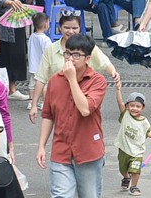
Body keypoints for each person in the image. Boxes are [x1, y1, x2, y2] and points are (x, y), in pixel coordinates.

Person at [37, 34, 108, 198]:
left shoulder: (98, 81)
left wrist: (71, 80)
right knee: (61, 195)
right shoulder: (55, 81)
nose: (70, 59)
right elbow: (48, 115)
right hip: (61, 149)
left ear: (87, 58)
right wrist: (41, 146)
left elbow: (85, 109)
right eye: (67, 53)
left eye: (76, 55)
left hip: (88, 151)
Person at [28, 10, 121, 124]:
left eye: (75, 28)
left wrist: (113, 73)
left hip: (83, 100)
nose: (71, 31)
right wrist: (33, 105)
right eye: (67, 27)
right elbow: (41, 79)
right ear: (60, 28)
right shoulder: (51, 49)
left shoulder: (88, 47)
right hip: (60, 103)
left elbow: (104, 62)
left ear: (80, 29)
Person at [115, 85, 151, 196]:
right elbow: (119, 102)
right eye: (132, 105)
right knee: (122, 169)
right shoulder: (125, 115)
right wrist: (118, 89)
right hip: (124, 149)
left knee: (135, 170)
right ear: (127, 106)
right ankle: (126, 177)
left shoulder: (144, 121)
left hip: (136, 152)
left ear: (142, 108)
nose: (135, 108)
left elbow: (147, 131)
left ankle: (134, 187)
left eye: (138, 106)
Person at [27, 13, 50, 94]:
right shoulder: (46, 39)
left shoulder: (32, 36)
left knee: (32, 85)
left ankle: (31, 102)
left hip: (32, 66)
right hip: (42, 67)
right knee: (44, 84)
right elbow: (48, 53)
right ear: (46, 24)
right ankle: (44, 102)